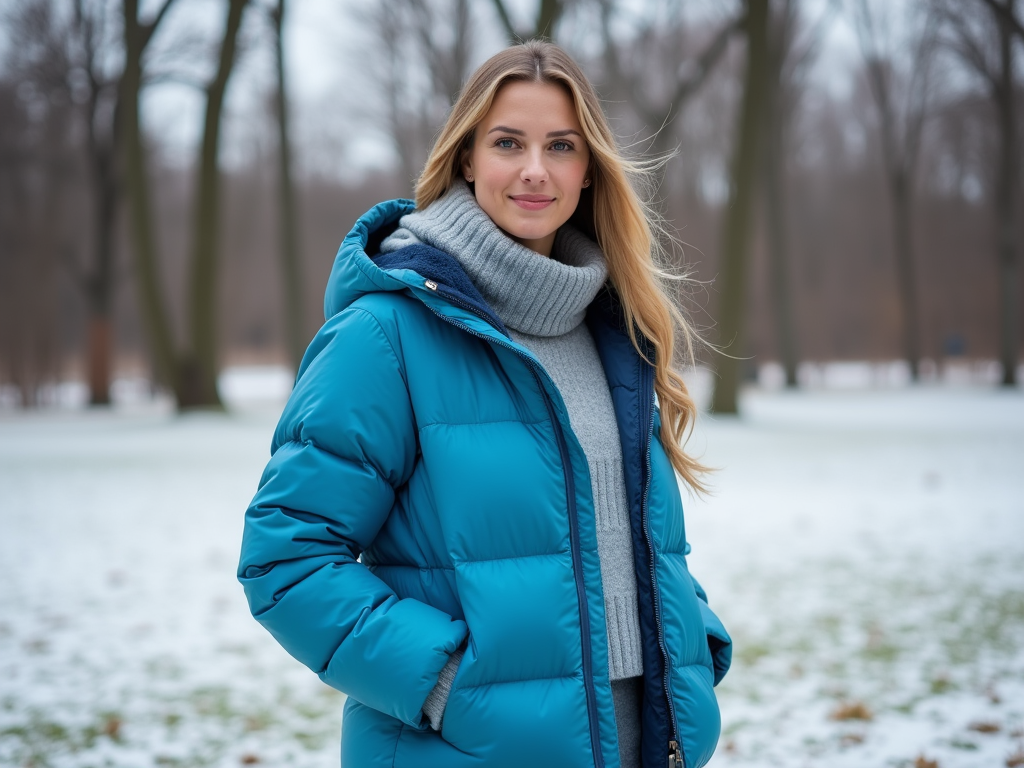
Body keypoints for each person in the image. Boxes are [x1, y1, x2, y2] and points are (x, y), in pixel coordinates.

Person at [238, 40, 731, 768]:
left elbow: (624, 532)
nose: (536, 169)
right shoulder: (385, 336)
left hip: (641, 741)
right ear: (466, 158)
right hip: (467, 747)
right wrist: (445, 683)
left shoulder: (616, 331)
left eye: (560, 145)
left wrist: (693, 635)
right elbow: (286, 559)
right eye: (508, 142)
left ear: (588, 168)